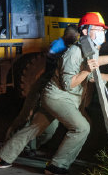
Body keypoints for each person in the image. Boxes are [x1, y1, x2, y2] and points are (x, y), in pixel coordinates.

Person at [0, 12, 108, 175]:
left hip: (61, 98)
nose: (102, 33)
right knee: (82, 127)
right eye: (98, 29)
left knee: (34, 128)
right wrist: (87, 70)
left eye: (103, 30)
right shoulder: (73, 52)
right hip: (58, 98)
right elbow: (69, 83)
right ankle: (57, 166)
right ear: (85, 31)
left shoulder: (89, 49)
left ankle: (1, 158)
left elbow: (93, 73)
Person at [4, 24, 80, 156]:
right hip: (45, 84)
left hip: (50, 85)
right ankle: (14, 145)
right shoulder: (58, 46)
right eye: (75, 36)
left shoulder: (64, 45)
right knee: (27, 116)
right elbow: (53, 61)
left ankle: (30, 146)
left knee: (40, 122)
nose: (76, 38)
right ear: (69, 35)